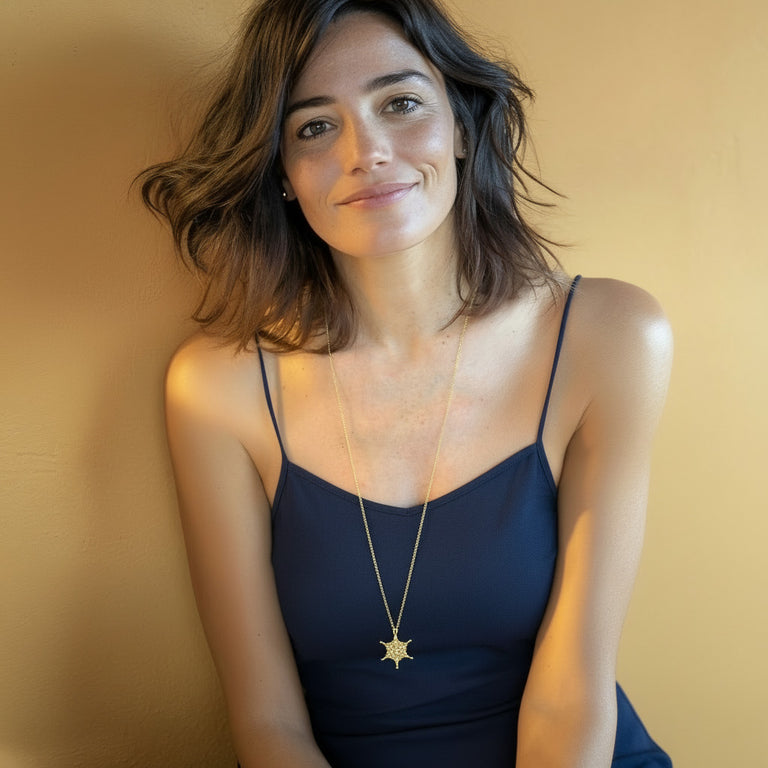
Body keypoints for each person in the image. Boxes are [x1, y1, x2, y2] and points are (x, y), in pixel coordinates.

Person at [138, 0, 674, 765]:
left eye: (400, 103)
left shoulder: (609, 336)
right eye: (315, 126)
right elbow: (267, 725)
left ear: (459, 127)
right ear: (284, 176)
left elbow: (572, 693)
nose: (368, 152)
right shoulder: (217, 388)